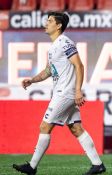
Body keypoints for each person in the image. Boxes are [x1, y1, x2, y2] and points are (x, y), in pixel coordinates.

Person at [12, 12, 106, 175]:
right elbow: (49, 70)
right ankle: (97, 164)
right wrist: (32, 80)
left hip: (65, 93)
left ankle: (32, 166)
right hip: (64, 92)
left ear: (58, 25)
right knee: (76, 128)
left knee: (45, 126)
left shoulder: (65, 43)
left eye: (50, 21)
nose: (46, 23)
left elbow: (79, 66)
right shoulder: (54, 46)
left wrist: (78, 91)